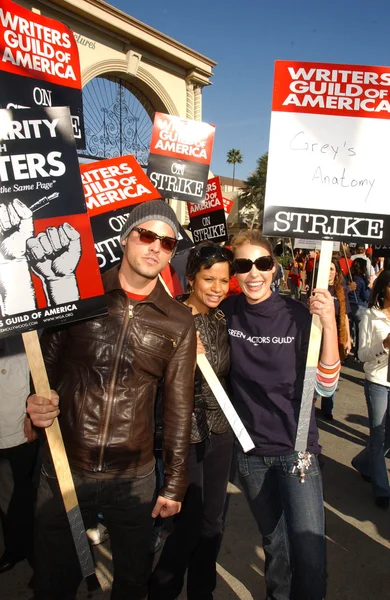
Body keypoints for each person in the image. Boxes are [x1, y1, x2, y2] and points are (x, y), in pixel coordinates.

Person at [26, 200, 197, 600]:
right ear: (126, 238)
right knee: (53, 580)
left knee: (133, 583)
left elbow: (178, 407)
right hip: (66, 468)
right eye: (148, 235)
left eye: (168, 243)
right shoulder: (77, 291)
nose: (156, 247)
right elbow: (45, 368)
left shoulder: (179, 319)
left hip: (133, 478)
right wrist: (34, 404)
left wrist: (173, 482)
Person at [222, 229, 340, 600]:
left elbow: (327, 386)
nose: (254, 272)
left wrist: (331, 321)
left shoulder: (298, 315)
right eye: (244, 265)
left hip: (297, 449)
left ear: (275, 268)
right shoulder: (226, 313)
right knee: (275, 544)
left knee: (309, 554)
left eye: (262, 263)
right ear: (235, 272)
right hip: (250, 454)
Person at [149, 242, 234, 600]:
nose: (216, 287)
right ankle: (162, 591)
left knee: (213, 524)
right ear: (190, 278)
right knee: (187, 526)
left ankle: (203, 592)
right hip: (185, 436)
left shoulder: (224, 316)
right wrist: (179, 351)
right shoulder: (171, 318)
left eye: (224, 279)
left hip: (221, 431)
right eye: (208, 278)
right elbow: (149, 380)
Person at [0, 335, 39, 575]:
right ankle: (15, 548)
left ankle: (37, 556)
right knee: (5, 494)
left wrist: (31, 411)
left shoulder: (26, 309)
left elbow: (42, 362)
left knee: (26, 493)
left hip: (20, 419)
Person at [351, 270, 390, 510]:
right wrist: (384, 345)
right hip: (377, 382)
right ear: (384, 289)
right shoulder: (370, 316)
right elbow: (362, 355)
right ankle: (382, 489)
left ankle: (362, 462)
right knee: (377, 435)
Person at [320, 258, 351, 419]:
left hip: (334, 338)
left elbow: (344, 315)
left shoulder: (341, 290)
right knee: (314, 371)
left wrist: (348, 338)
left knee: (332, 371)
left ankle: (327, 408)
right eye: (327, 269)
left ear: (337, 272)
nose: (330, 272)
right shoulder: (316, 288)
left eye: (332, 269)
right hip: (316, 337)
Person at [348, 258, 370, 361]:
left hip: (349, 306)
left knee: (348, 331)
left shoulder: (349, 277)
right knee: (360, 333)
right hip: (359, 307)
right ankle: (357, 354)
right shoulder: (362, 280)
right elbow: (366, 296)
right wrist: (369, 287)